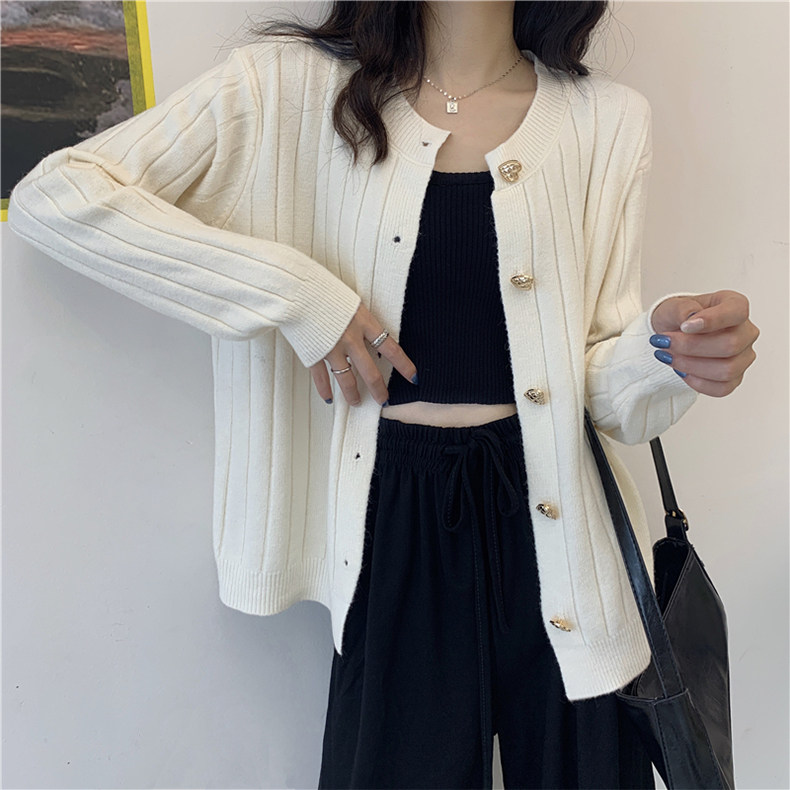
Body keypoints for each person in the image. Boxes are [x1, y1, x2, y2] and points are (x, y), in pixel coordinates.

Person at [6, 1, 759, 788]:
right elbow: (58, 196)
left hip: (565, 525)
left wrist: (668, 355)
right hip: (393, 515)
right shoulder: (285, 90)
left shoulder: (605, 120)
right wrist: (296, 296)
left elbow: (596, 388)